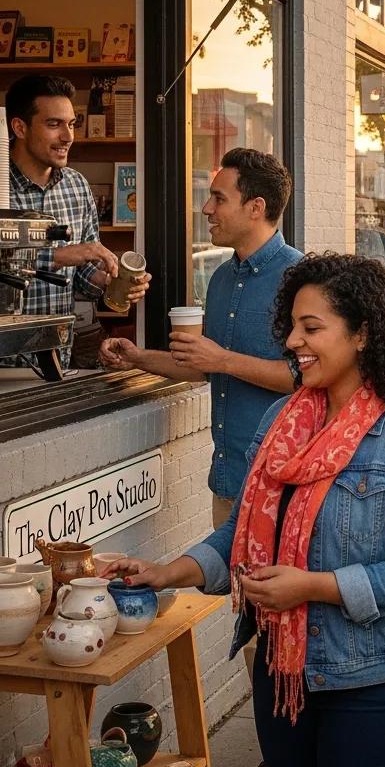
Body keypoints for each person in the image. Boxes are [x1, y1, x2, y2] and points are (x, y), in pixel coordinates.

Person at [102, 254, 385, 767]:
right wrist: (164, 574)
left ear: (362, 335)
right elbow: (242, 532)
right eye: (291, 327)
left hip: (375, 682)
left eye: (311, 328)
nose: (292, 342)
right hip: (281, 673)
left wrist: (312, 586)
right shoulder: (281, 421)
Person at [101, 148, 302, 526]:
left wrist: (221, 359)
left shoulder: (302, 278)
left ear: (256, 208)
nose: (207, 209)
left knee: (270, 587)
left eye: (219, 199)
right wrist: (136, 357)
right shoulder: (222, 278)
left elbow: (307, 377)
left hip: (282, 487)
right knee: (232, 587)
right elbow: (203, 367)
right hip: (227, 482)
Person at [5, 75, 151, 364]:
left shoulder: (77, 186)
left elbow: (82, 278)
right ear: (19, 127)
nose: (68, 136)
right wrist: (57, 257)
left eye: (71, 124)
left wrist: (113, 282)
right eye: (53, 124)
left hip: (58, 363)